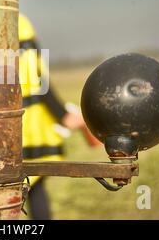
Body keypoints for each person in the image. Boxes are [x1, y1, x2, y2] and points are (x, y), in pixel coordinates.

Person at [18, 14, 101, 220]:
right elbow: (35, 79)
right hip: (28, 126)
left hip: (22, 123)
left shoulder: (14, 22)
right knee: (33, 190)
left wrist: (62, 114)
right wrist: (62, 115)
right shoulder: (19, 22)